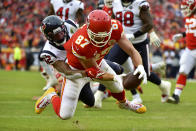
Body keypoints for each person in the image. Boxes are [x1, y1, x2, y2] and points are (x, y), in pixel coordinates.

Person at [35, 10, 147, 120]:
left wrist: (140, 66)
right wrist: (115, 77)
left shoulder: (114, 27)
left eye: (104, 35)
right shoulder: (79, 44)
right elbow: (93, 72)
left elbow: (132, 50)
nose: (101, 38)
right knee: (66, 115)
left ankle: (124, 103)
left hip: (94, 60)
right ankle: (51, 95)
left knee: (117, 86)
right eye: (97, 35)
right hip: (75, 71)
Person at [110, 0, 171, 103]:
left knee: (144, 73)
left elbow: (149, 23)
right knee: (109, 66)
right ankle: (110, 97)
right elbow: (113, 22)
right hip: (122, 42)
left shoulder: (140, 4)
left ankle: (163, 85)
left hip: (139, 42)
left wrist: (134, 35)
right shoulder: (115, 3)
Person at [167, 0, 196, 104]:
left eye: (185, 7)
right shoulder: (189, 16)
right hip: (189, 49)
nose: (184, 10)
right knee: (183, 71)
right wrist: (182, 35)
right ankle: (176, 96)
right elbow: (191, 29)